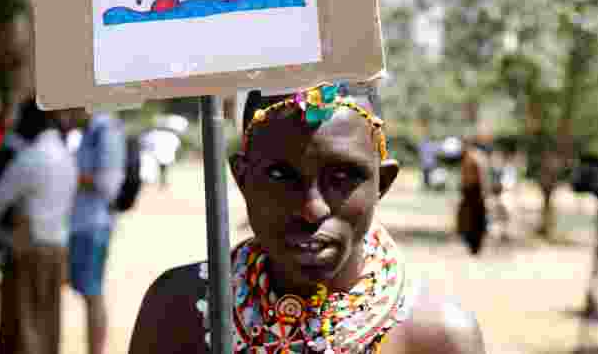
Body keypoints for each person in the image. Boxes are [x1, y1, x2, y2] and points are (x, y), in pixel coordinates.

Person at [128, 83, 485, 354]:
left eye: (342, 178)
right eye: (281, 176)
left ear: (382, 183)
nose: (311, 209)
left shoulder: (437, 337)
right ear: (242, 178)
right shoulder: (178, 311)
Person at [0, 100, 78, 354]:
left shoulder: (31, 158)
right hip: (57, 249)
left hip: (28, 250)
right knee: (49, 327)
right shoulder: (67, 157)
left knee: (24, 329)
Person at [70, 111, 127, 354]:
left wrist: (70, 175)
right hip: (83, 222)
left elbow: (109, 184)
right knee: (88, 292)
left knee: (92, 293)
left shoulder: (105, 130)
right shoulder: (90, 130)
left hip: (94, 223)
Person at [457, 136, 491, 256]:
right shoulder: (468, 157)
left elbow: (481, 177)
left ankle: (475, 246)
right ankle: (471, 244)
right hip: (469, 192)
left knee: (476, 220)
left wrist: (482, 192)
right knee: (467, 219)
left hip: (475, 192)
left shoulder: (475, 157)